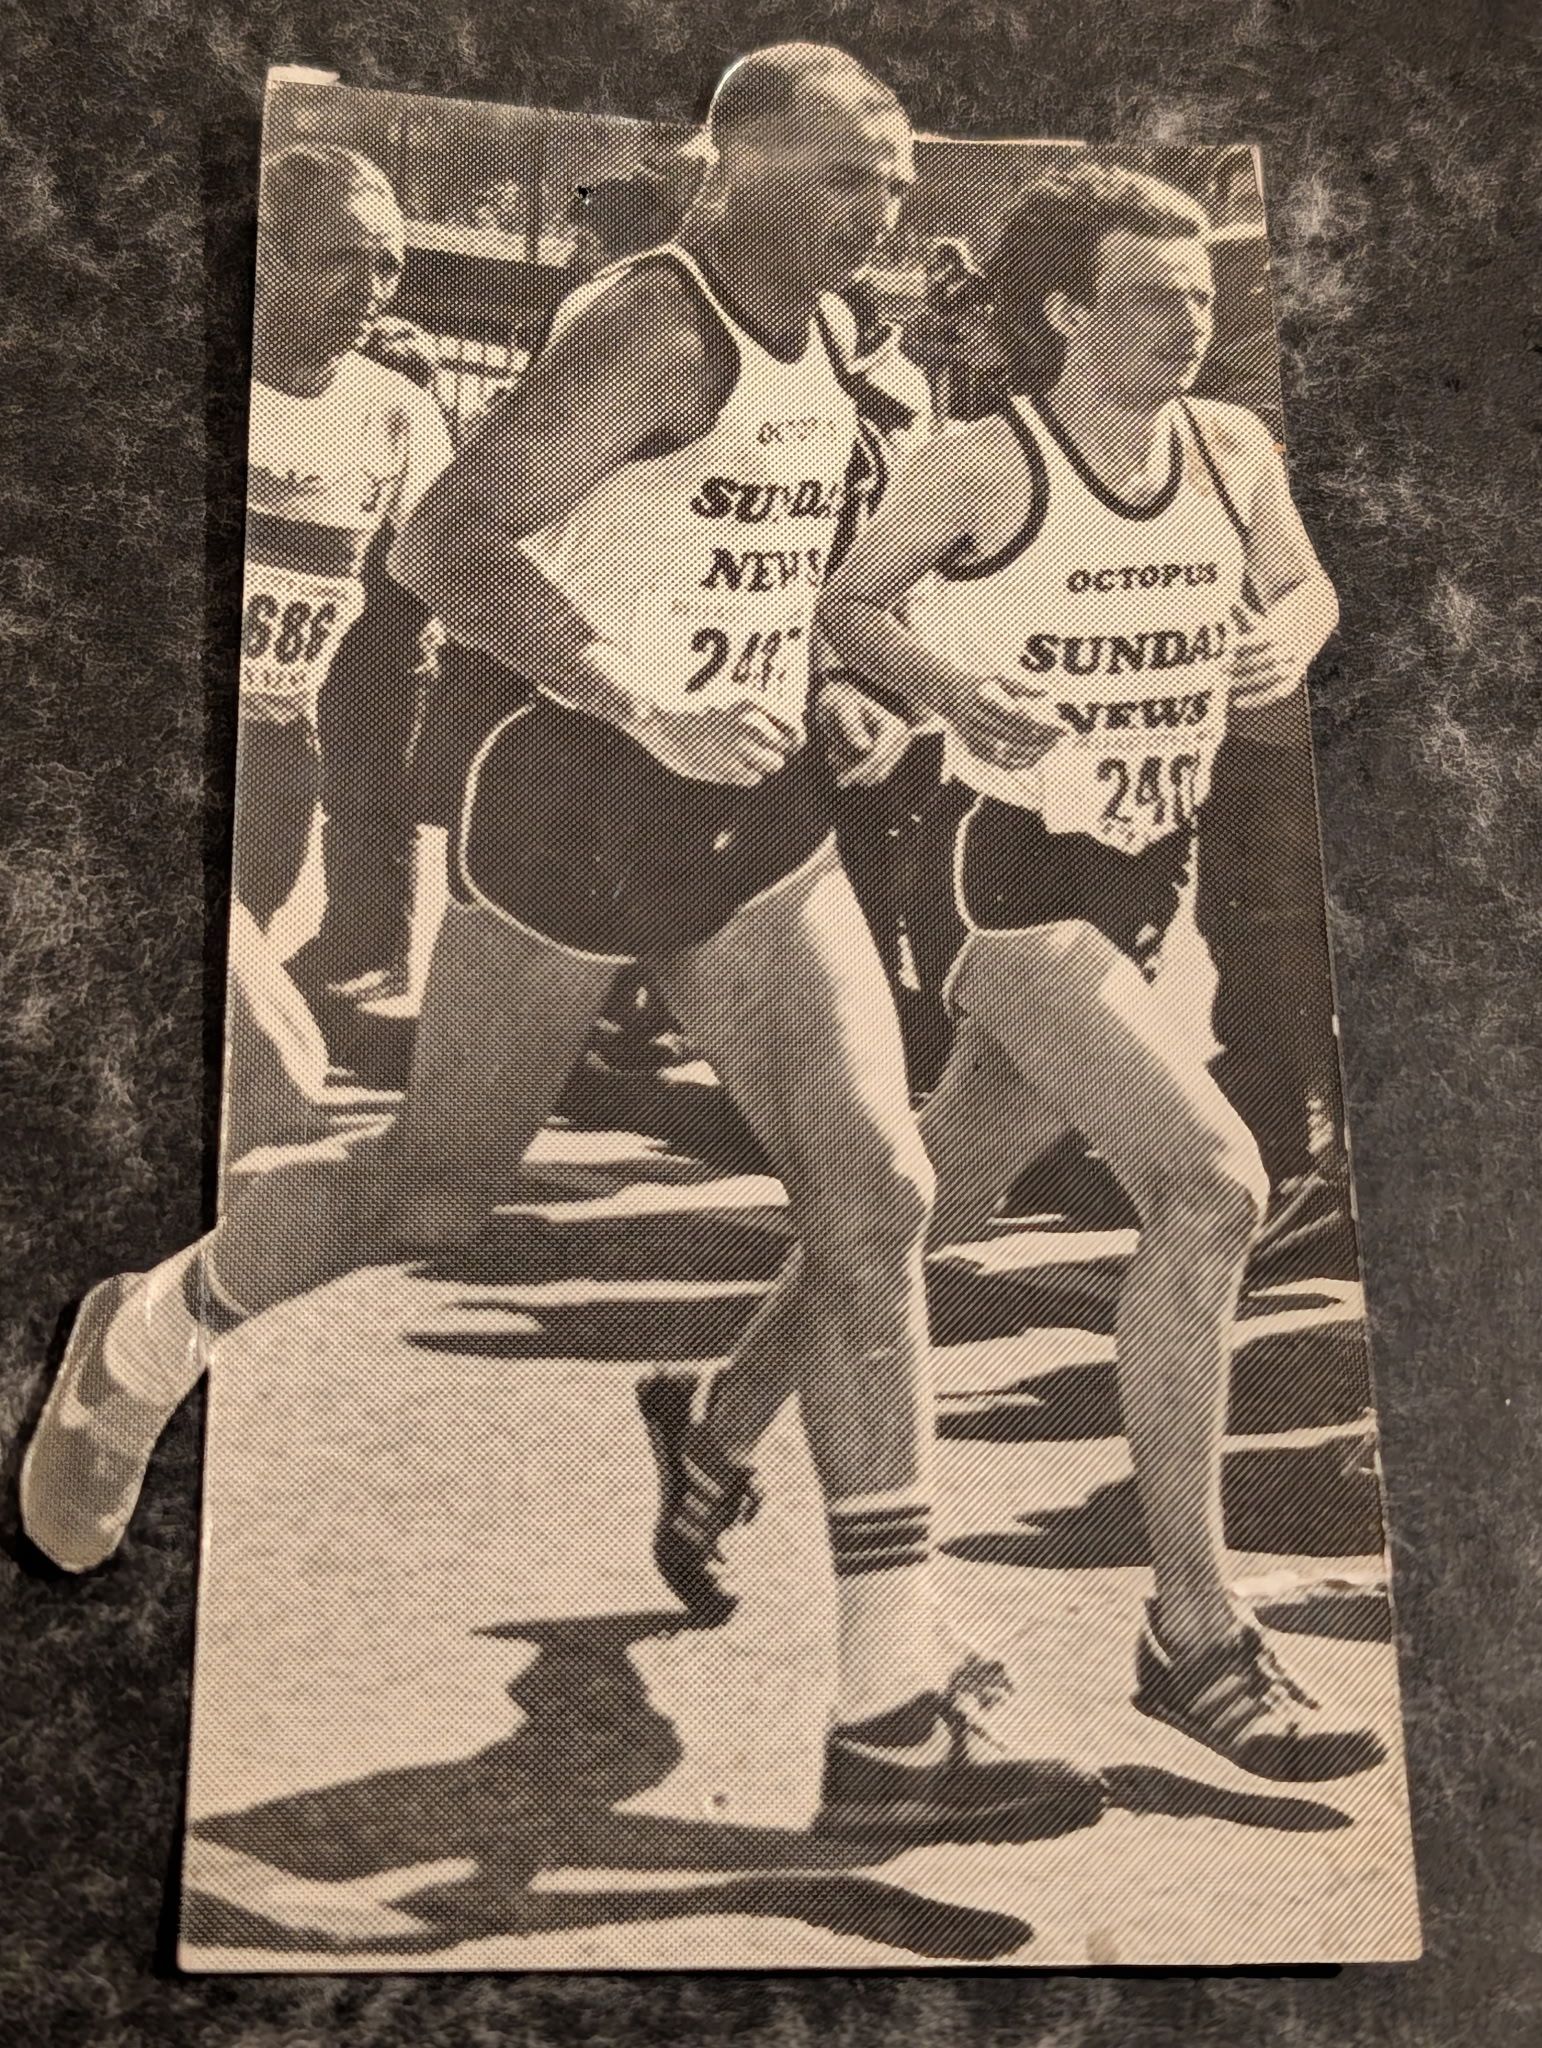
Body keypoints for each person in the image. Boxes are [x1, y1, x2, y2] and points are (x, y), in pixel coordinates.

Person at [22, 46, 1100, 1845]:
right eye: (848, 176)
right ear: (732, 163)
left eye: (898, 180)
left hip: (750, 823)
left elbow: (766, 569)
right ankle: (142, 1334)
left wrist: (855, 697)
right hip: (578, 809)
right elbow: (447, 541)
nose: (885, 209)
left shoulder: (834, 339)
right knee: (435, 1187)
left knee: (876, 1196)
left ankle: (892, 1694)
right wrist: (637, 697)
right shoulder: (654, 329)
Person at [808, 159, 1386, 1782]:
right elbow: (847, 604)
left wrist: (1300, 634)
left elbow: (1303, 583)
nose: (1187, 319)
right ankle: (1192, 1633)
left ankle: (706, 1430)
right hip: (999, 871)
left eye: (1203, 292)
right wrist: (952, 691)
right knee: (1212, 1181)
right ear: (1061, 307)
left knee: (936, 1196)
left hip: (1140, 881)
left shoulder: (1233, 448)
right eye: (1150, 293)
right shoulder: (984, 461)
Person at [238, 144, 453, 1022]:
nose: (371, 287)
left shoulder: (393, 408)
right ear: (270, 255)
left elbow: (453, 560)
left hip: (281, 751)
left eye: (387, 265)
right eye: (342, 259)